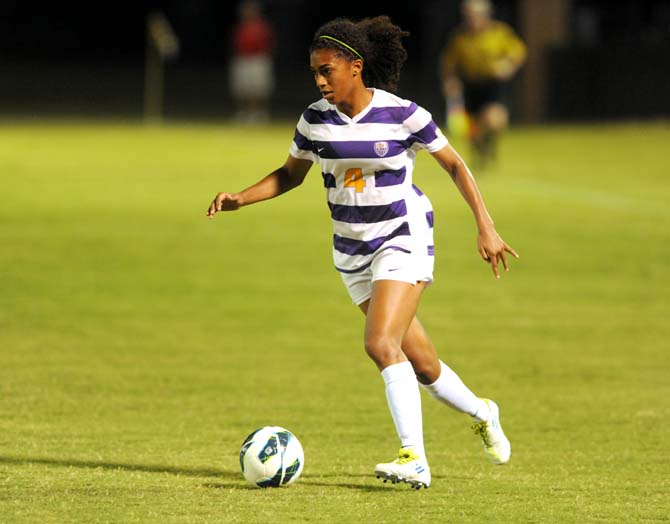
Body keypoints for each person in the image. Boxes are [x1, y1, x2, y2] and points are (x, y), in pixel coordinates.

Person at [208, 15, 518, 490]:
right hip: (352, 250)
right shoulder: (314, 119)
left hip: (402, 234)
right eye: (314, 71)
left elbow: (455, 165)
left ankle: (413, 458)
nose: (319, 80)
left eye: (326, 70)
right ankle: (482, 411)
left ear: (355, 66)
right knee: (422, 364)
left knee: (379, 344)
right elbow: (290, 175)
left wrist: (486, 226)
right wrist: (239, 198)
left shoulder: (403, 114)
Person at [440, 0, 527, 169]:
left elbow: (518, 51)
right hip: (470, 86)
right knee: (472, 131)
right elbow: (449, 63)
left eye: (474, 15)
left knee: (494, 120)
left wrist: (508, 65)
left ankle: (486, 144)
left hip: (492, 85)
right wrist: (450, 81)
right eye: (468, 16)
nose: (471, 19)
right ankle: (480, 147)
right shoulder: (459, 37)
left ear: (485, 15)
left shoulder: (500, 32)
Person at [229, 0, 275, 123]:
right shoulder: (240, 27)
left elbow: (270, 43)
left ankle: (259, 113)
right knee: (243, 89)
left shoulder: (262, 26)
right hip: (242, 59)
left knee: (258, 90)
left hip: (258, 59)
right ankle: (245, 113)